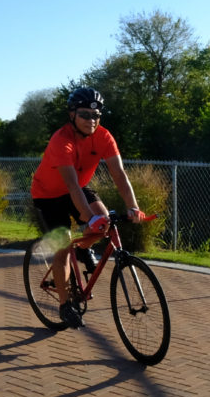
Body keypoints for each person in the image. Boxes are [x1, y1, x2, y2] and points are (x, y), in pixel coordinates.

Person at [30, 87, 146, 329]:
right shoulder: (61, 140)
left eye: (96, 116)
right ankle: (64, 305)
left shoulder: (104, 137)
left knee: (105, 222)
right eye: (85, 115)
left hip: (78, 188)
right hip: (49, 195)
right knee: (62, 242)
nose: (91, 121)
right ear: (72, 114)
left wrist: (133, 206)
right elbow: (70, 184)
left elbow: (120, 175)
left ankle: (83, 249)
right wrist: (88, 218)